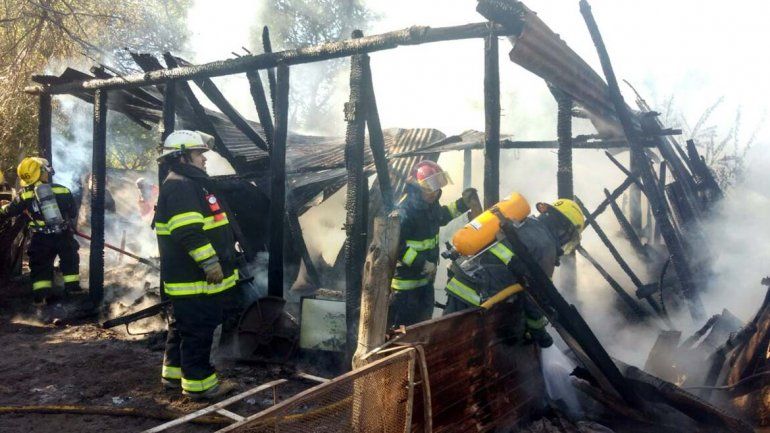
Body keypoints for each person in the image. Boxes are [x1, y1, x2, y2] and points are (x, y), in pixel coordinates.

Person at [155, 130, 239, 401]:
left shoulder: (188, 184)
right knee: (199, 330)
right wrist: (211, 262)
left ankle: (173, 376)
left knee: (184, 327)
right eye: (199, 154)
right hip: (195, 279)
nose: (204, 160)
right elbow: (188, 232)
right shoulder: (181, 186)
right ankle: (201, 387)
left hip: (191, 279)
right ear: (182, 156)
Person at [443, 198, 585, 348]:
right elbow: (537, 296)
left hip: (459, 283)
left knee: (441, 340)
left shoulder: (523, 222)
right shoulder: (546, 246)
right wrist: (538, 332)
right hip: (480, 299)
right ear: (565, 230)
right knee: (458, 350)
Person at [388, 160, 477, 328]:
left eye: (437, 188)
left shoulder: (429, 205)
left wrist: (462, 204)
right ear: (417, 187)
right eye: (430, 188)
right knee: (403, 333)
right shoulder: (405, 211)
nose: (434, 193)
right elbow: (397, 247)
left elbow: (442, 216)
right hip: (405, 288)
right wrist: (422, 263)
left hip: (425, 284)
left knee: (424, 328)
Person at [0, 157, 81, 302]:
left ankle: (41, 298)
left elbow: (9, 211)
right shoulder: (62, 189)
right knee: (70, 262)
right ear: (42, 173)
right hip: (63, 234)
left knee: (40, 266)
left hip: (40, 239)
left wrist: (3, 208)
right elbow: (73, 212)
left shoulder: (25, 195)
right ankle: (73, 291)